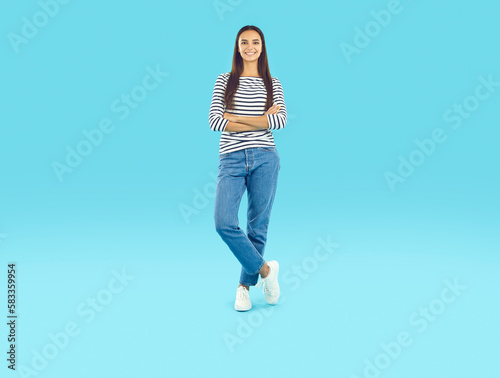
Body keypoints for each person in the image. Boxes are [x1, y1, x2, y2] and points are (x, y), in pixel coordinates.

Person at [208, 25, 287, 311]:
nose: (250, 46)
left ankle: (244, 287)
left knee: (258, 226)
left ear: (262, 47)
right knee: (224, 223)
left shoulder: (272, 83)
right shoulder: (224, 80)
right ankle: (266, 271)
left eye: (255, 42)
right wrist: (259, 119)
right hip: (231, 158)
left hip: (266, 156)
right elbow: (216, 121)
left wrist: (236, 118)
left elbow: (279, 122)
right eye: (244, 42)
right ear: (237, 47)